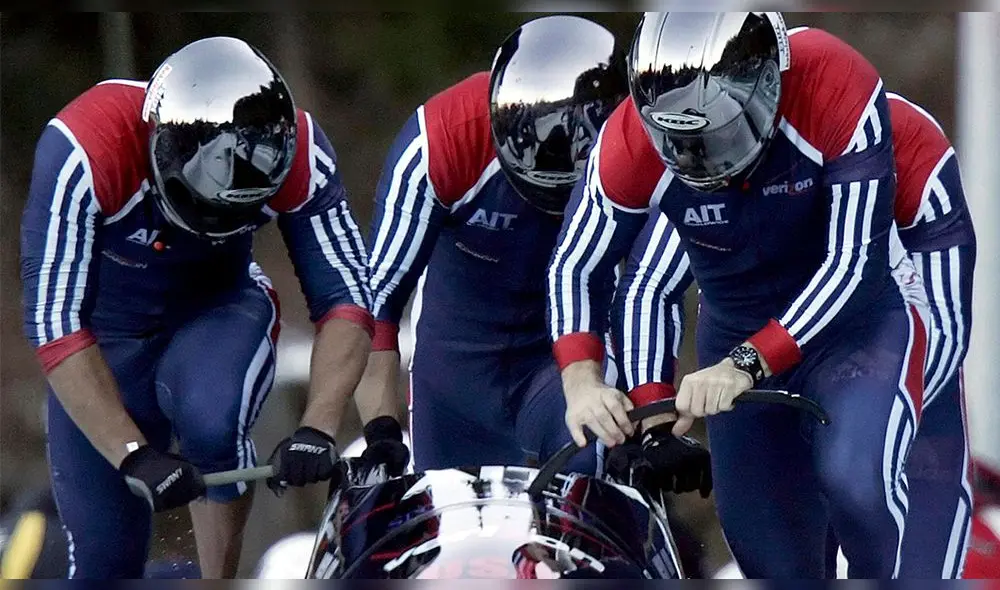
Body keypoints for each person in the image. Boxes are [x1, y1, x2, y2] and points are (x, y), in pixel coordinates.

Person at [547, 12, 927, 577]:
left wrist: (747, 363)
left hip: (853, 331)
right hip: (735, 333)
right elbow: (578, 265)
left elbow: (854, 263)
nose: (702, 160)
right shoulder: (628, 142)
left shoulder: (836, 83)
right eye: (679, 142)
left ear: (768, 87)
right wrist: (588, 384)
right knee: (769, 558)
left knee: (859, 485)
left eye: (718, 135)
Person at [19, 36, 403, 578]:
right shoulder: (83, 147)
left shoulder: (301, 152)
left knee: (212, 423)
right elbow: (55, 322)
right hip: (102, 342)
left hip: (218, 310)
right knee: (105, 566)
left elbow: (347, 299)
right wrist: (132, 452)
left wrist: (318, 425)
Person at [612, 82, 977, 578]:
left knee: (871, 498)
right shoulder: (718, 170)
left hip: (876, 358)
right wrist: (652, 417)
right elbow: (648, 286)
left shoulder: (908, 149)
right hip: (767, 373)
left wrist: (866, 428)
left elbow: (945, 333)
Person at [354, 15, 634, 477]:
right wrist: (382, 433)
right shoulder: (442, 138)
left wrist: (651, 405)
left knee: (593, 464)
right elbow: (376, 307)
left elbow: (649, 283)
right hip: (455, 372)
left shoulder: (633, 144)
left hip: (564, 365)